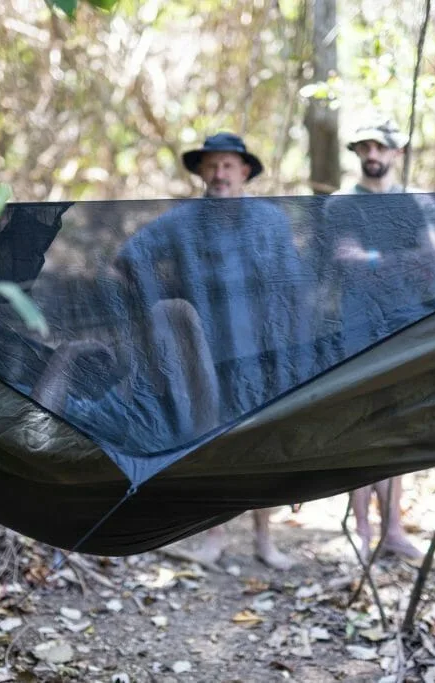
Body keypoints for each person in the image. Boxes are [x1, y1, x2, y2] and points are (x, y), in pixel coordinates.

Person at [112, 132, 319, 570]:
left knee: (265, 445)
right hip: (204, 355)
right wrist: (163, 309)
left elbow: (294, 285)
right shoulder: (181, 222)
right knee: (206, 444)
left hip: (264, 353)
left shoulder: (271, 221)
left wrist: (291, 342)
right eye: (212, 165)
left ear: (245, 171)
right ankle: (214, 537)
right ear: (201, 172)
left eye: (228, 165)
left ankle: (265, 540)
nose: (219, 173)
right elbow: (131, 257)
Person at [321, 117, 435, 562]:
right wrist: (394, 260)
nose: (372, 155)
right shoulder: (341, 206)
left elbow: (430, 258)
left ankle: (393, 529)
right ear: (356, 153)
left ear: (397, 153)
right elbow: (345, 259)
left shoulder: (417, 204)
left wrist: (374, 260)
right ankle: (362, 532)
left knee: (395, 424)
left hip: (404, 324)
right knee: (359, 422)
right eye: (364, 147)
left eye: (380, 147)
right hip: (354, 325)